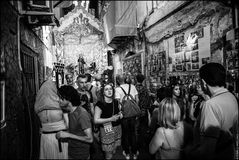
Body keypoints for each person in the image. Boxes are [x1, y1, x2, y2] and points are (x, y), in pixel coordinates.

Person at [185, 63, 238, 160]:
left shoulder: (210, 105)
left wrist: (187, 151)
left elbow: (206, 150)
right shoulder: (231, 97)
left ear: (204, 82)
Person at [34, 78, 68, 159]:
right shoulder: (60, 103)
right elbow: (68, 124)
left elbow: (40, 126)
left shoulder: (38, 106)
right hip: (60, 137)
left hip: (45, 139)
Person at [56, 85, 93, 159]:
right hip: (71, 153)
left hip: (81, 155)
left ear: (68, 98)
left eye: (60, 97)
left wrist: (68, 135)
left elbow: (90, 139)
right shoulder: (69, 111)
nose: (57, 99)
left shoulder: (82, 114)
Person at [94, 82, 123, 159]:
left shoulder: (116, 102)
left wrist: (120, 114)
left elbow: (118, 112)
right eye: (106, 89)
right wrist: (110, 119)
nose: (109, 91)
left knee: (114, 149)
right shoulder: (99, 104)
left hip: (117, 128)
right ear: (103, 92)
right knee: (108, 153)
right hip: (106, 130)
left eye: (110, 89)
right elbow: (96, 120)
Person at [115, 74, 139, 160]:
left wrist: (120, 113)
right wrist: (135, 110)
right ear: (125, 79)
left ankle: (127, 153)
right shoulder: (132, 86)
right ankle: (135, 152)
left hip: (124, 114)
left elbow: (118, 103)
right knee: (133, 133)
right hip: (133, 113)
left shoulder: (117, 89)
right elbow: (137, 100)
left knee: (125, 133)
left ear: (117, 80)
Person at [135, 74, 151, 148]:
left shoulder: (133, 88)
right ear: (143, 80)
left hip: (135, 110)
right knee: (143, 127)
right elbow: (147, 100)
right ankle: (142, 143)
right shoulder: (144, 89)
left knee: (136, 127)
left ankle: (136, 143)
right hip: (143, 110)